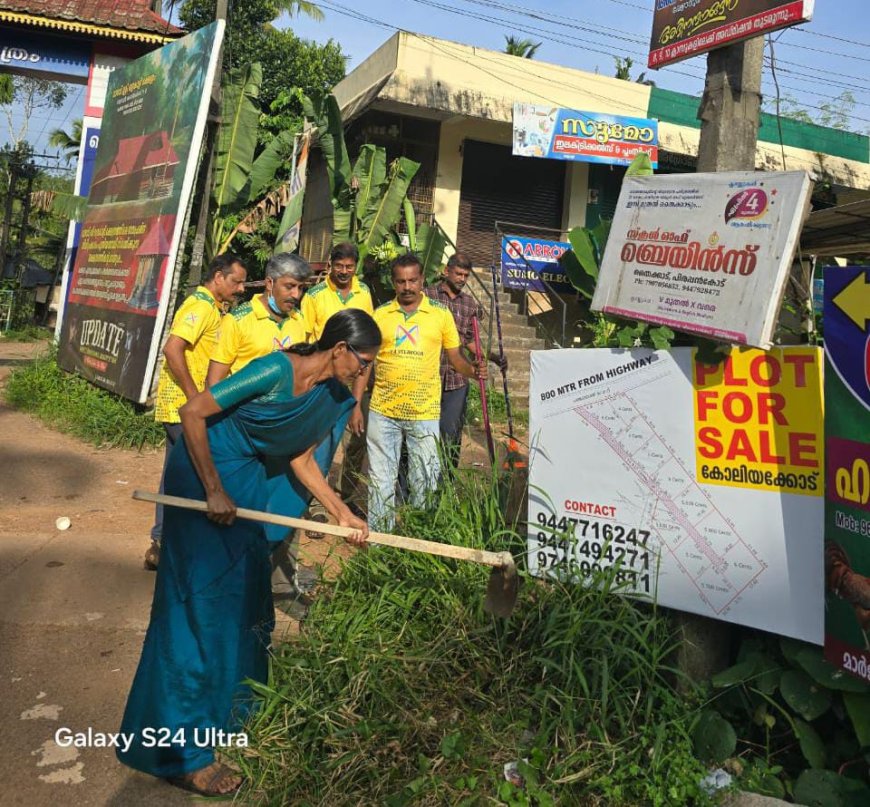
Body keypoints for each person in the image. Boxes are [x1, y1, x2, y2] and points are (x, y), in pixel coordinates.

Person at [116, 309, 380, 796]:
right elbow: (193, 412)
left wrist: (342, 512)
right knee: (200, 607)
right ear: (339, 348)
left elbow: (299, 456)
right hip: (202, 476)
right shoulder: (274, 369)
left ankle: (234, 716)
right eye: (362, 362)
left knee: (245, 598)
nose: (363, 374)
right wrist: (213, 489)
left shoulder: (329, 392)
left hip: (246, 481)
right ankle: (181, 753)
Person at [206, 252, 312, 599]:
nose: (295, 295)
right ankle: (228, 585)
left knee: (285, 505)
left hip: (285, 436)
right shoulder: (238, 321)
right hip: (244, 438)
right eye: (289, 286)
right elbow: (214, 385)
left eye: (300, 287)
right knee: (242, 511)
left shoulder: (300, 321)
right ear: (269, 284)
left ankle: (279, 587)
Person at [362, 253, 486, 531]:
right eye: (400, 281)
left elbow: (455, 358)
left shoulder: (441, 315)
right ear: (393, 283)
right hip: (383, 412)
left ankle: (419, 539)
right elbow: (366, 363)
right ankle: (381, 541)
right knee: (381, 479)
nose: (407, 287)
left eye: (412, 281)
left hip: (424, 412)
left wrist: (473, 371)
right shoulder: (380, 315)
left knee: (424, 479)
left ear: (422, 280)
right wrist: (356, 401)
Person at [145, 254, 247, 571]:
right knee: (199, 471)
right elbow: (172, 348)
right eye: (237, 281)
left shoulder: (214, 309)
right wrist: (194, 398)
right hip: (183, 410)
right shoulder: (199, 307)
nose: (241, 288)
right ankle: (181, 545)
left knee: (176, 472)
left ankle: (162, 542)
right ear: (218, 277)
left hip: (183, 409)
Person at [301, 242, 374, 514]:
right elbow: (306, 338)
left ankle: (349, 496)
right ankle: (317, 502)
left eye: (349, 266)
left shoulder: (363, 292)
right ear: (330, 264)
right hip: (324, 379)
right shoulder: (315, 295)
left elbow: (366, 342)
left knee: (357, 440)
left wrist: (356, 399)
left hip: (356, 376)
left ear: (356, 267)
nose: (344, 271)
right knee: (322, 441)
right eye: (339, 266)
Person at [424, 252, 506, 470]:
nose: (461, 279)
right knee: (423, 431)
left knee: (451, 432)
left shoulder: (470, 305)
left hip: (456, 378)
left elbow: (469, 340)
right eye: (458, 273)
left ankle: (447, 483)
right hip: (427, 375)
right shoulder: (427, 296)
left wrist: (493, 357)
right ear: (446, 272)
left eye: (466, 276)